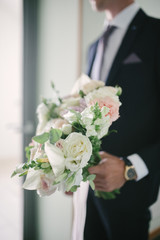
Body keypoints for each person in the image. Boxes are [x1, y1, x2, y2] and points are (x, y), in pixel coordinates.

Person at [75, 0, 160, 240]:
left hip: (131, 195)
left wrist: (129, 169)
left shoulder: (155, 33)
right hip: (90, 189)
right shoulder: (93, 47)